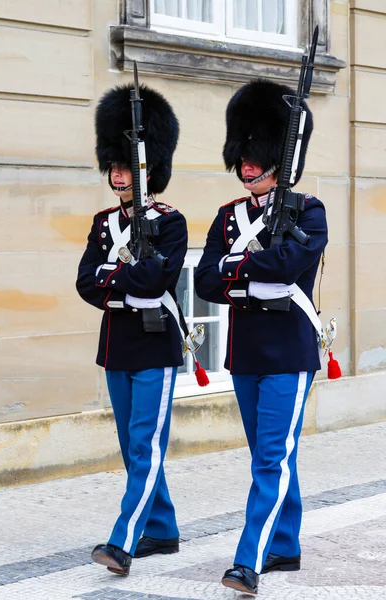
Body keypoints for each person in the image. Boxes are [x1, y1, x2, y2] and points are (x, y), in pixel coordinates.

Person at [195, 79, 328, 596]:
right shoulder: (230, 216)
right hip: (246, 352)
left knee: (271, 457)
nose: (246, 165)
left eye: (255, 155)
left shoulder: (307, 211)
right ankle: (287, 544)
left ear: (278, 156)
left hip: (290, 352)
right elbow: (206, 280)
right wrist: (250, 271)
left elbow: (291, 264)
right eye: (242, 155)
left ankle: (247, 558)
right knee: (272, 455)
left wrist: (238, 267)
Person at [76, 82, 187, 577]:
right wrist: (123, 282)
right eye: (114, 166)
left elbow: (159, 278)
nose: (118, 174)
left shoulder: (170, 222)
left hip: (154, 345)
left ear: (146, 170)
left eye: (126, 166)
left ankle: (124, 539)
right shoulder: (103, 225)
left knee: (145, 444)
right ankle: (162, 529)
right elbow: (84, 282)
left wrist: (111, 281)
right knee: (131, 445)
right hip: (117, 347)